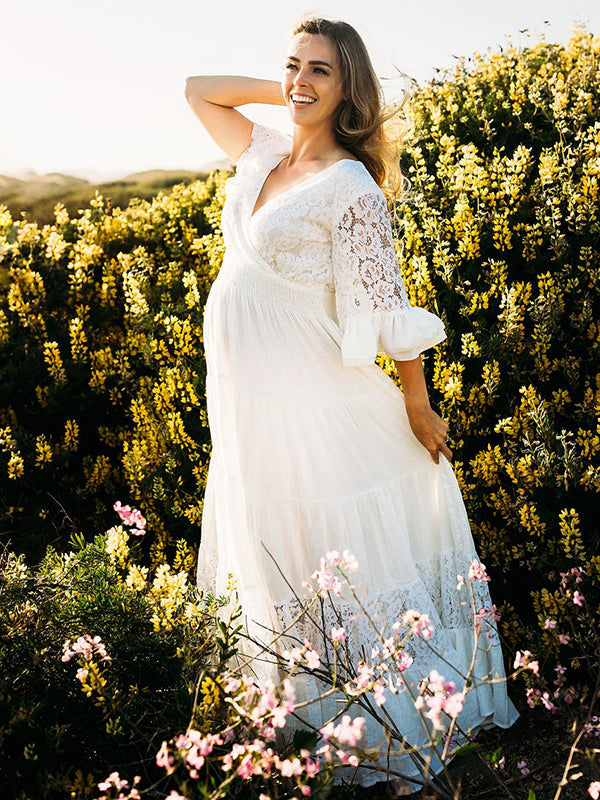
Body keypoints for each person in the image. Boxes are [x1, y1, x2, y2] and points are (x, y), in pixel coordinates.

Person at [185, 15, 518, 790]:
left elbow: (386, 304)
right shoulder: (264, 151)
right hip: (248, 405)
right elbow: (197, 91)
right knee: (276, 539)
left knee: (331, 548)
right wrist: (296, 96)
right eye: (293, 65)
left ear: (351, 89)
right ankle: (298, 721)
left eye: (321, 72)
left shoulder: (351, 185)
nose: (300, 80)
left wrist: (416, 402)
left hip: (313, 400)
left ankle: (385, 731)